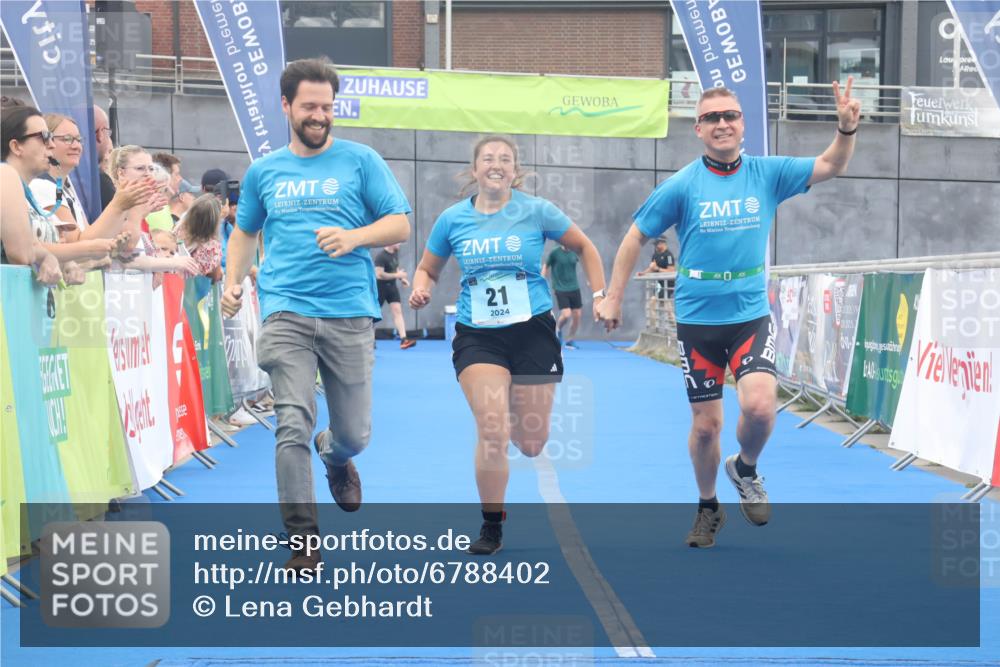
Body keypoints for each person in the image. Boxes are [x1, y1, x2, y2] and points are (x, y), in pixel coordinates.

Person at [597, 80, 861, 548]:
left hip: (749, 314)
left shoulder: (767, 173)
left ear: (743, 125)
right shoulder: (682, 184)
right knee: (706, 426)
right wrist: (613, 296)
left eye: (730, 116)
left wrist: (845, 129)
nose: (722, 123)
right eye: (712, 117)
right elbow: (635, 236)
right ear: (699, 129)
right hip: (698, 320)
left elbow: (831, 165)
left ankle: (745, 468)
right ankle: (707, 507)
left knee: (759, 407)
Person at [221, 57, 411, 572]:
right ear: (286, 106)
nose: (320, 115)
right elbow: (244, 232)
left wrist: (354, 237)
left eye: (327, 107)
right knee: (292, 422)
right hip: (286, 310)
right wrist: (233, 280)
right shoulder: (265, 172)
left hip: (348, 312)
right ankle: (303, 541)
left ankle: (337, 454)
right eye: (309, 106)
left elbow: (399, 224)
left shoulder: (361, 161)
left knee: (355, 432)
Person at [409, 135, 606, 555]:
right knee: (493, 430)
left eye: (505, 159)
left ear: (515, 171)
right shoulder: (453, 219)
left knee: (531, 442)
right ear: (475, 168)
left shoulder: (536, 211)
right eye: (488, 158)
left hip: (532, 330)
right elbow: (427, 267)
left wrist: (602, 292)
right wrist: (421, 287)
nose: (496, 165)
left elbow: (585, 247)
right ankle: (491, 524)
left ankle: (517, 411)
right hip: (478, 335)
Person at [374, 243, 416, 349]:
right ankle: (369, 339)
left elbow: (395, 268)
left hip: (392, 287)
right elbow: (379, 274)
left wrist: (402, 279)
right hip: (380, 288)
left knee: (397, 311)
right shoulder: (381, 256)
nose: (400, 244)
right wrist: (398, 275)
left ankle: (404, 340)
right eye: (398, 242)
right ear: (391, 242)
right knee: (374, 315)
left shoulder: (395, 253)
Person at [542, 243, 583, 349]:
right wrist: (542, 278)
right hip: (560, 288)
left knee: (577, 315)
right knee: (566, 314)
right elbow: (546, 265)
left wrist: (590, 280)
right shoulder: (555, 253)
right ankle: (558, 329)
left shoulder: (575, 253)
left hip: (574, 288)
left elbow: (585, 262)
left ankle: (570, 340)